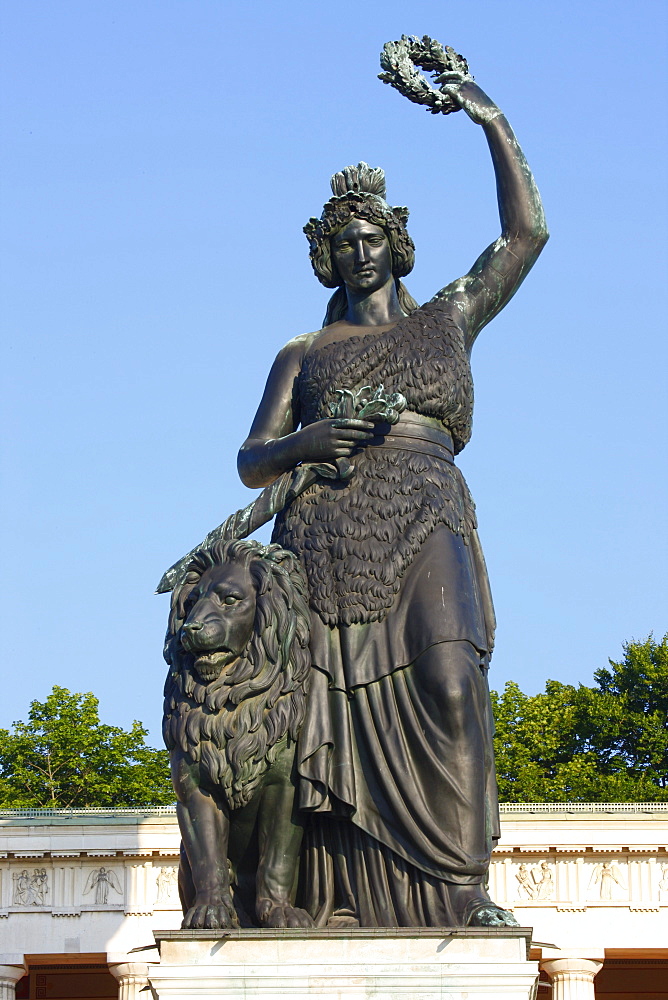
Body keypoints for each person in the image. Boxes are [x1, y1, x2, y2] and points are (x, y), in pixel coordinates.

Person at [238, 65, 547, 926]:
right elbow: (251, 458)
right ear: (325, 253)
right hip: (327, 533)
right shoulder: (303, 351)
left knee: (451, 681)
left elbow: (526, 235)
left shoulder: (448, 316)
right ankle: (333, 891)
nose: (360, 251)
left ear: (396, 243)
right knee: (321, 714)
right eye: (344, 240)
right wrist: (306, 442)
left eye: (372, 235)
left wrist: (488, 114)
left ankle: (459, 886)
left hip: (426, 510)